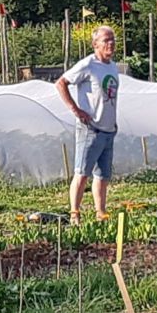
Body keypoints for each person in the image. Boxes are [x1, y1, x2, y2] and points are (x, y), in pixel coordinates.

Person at [55, 25, 119, 224]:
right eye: (106, 40)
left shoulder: (112, 66)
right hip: (91, 129)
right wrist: (76, 110)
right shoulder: (88, 65)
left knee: (103, 176)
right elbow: (61, 83)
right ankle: (75, 214)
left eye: (113, 40)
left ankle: (101, 213)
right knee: (82, 173)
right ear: (95, 44)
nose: (111, 44)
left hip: (108, 129)